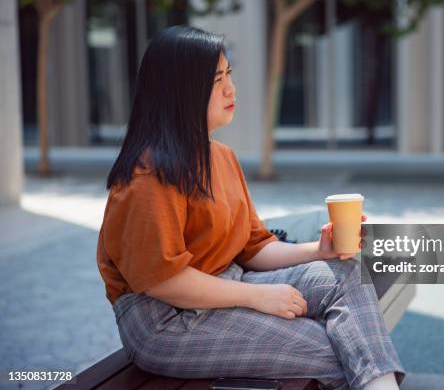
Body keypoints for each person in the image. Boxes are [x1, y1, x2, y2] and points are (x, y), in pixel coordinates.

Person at [96, 25, 406, 390]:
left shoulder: (221, 157)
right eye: (215, 80)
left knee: (346, 273)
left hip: (227, 286)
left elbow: (253, 246)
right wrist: (258, 296)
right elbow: (163, 281)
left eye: (228, 75)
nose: (231, 89)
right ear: (180, 91)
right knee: (336, 348)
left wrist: (318, 250)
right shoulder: (148, 173)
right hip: (165, 322)